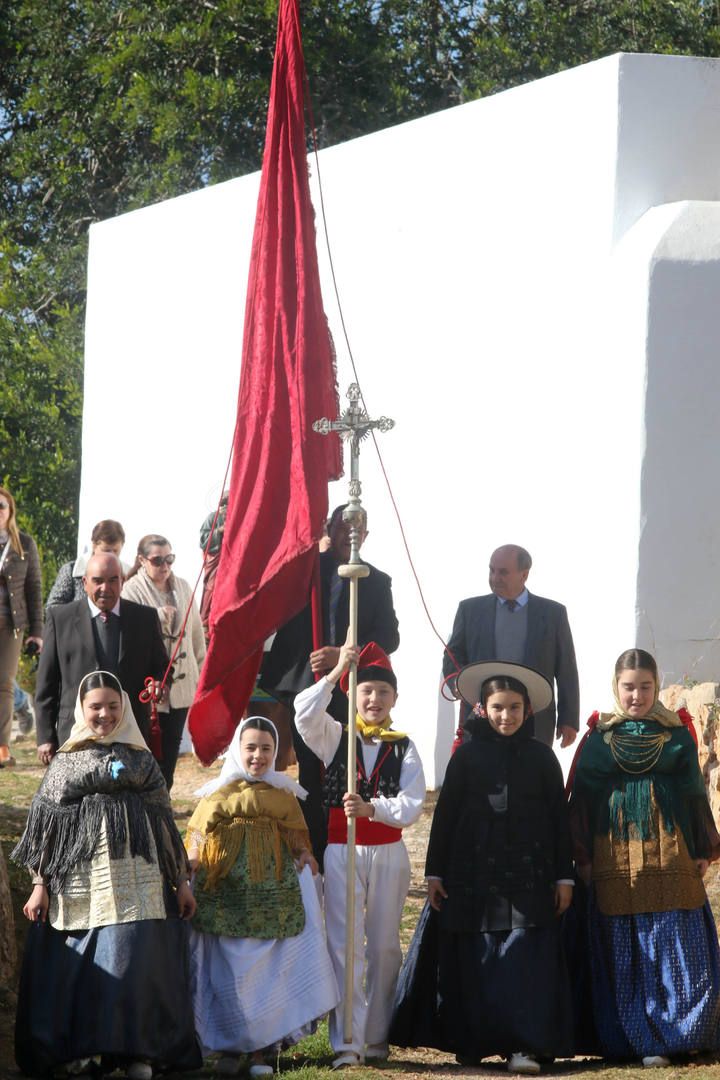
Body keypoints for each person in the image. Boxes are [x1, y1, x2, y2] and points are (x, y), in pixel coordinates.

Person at [12, 671, 201, 1079]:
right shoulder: (66, 762)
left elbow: (165, 824)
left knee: (137, 964)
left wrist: (181, 881)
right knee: (83, 966)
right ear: (82, 709)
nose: (104, 714)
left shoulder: (141, 758)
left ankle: (139, 1052)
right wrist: (39, 885)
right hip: (81, 883)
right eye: (95, 706)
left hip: (140, 880)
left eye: (113, 706)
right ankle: (88, 1049)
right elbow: (46, 829)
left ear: (125, 708)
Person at [392, 660, 574, 1073]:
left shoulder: (544, 759)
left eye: (513, 708)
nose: (505, 716)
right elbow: (446, 817)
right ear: (483, 710)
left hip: (531, 874)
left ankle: (524, 1046)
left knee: (525, 959)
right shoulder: (466, 758)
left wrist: (565, 876)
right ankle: (474, 1040)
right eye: (497, 708)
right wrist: (435, 872)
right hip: (472, 873)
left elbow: (559, 822)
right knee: (478, 959)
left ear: (528, 710)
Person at [568, 648, 720, 1066]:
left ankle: (685, 1033)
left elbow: (692, 794)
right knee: (628, 941)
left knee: (676, 934)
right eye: (628, 687)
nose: (637, 695)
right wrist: (581, 857)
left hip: (669, 847)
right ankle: (639, 1038)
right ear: (616, 688)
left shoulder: (674, 735)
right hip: (614, 851)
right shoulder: (599, 738)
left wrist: (703, 849)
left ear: (657, 686)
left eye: (645, 686)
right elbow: (580, 800)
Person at [294, 639, 425, 1068]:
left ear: (395, 699)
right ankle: (346, 1039)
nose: (374, 699)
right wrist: (335, 673)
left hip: (387, 851)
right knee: (344, 943)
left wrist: (373, 809)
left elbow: (412, 803)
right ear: (354, 695)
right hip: (343, 848)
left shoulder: (404, 745)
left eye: (383, 693)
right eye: (366, 691)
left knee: (385, 945)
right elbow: (303, 714)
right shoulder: (335, 738)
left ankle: (377, 1035)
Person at [185, 716, 338, 1077]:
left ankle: (261, 1051)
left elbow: (298, 837)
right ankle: (227, 1047)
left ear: (276, 753)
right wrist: (191, 861)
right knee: (227, 968)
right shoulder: (217, 794)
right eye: (250, 748)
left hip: (273, 895)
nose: (258, 755)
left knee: (267, 970)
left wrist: (304, 856)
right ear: (238, 750)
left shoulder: (285, 795)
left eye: (266, 748)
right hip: (225, 894)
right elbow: (196, 837)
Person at [261, 504, 400, 864]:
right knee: (310, 771)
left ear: (365, 537)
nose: (348, 536)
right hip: (308, 690)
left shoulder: (377, 581)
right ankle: (313, 851)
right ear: (329, 529)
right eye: (342, 527)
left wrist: (343, 654)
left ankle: (342, 844)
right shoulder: (306, 572)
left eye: (357, 530)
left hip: (352, 692)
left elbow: (389, 637)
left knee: (346, 770)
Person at [35, 552, 169, 765]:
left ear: (123, 581)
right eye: (98, 581)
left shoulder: (144, 618)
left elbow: (161, 666)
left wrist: (160, 684)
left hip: (129, 734)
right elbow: (46, 685)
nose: (105, 588)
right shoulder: (60, 619)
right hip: (75, 735)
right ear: (85, 583)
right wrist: (45, 737)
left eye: (112, 580)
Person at [443, 544, 579, 747]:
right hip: (482, 717)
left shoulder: (553, 614)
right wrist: (457, 682)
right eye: (492, 570)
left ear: (524, 574)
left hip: (535, 719)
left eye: (503, 572)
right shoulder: (469, 610)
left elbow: (566, 668)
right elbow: (453, 654)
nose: (495, 578)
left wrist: (569, 720)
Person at [122, 534, 206, 789]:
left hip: (180, 684)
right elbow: (131, 630)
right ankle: (145, 803)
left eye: (169, 559)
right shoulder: (131, 589)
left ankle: (163, 800)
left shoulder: (182, 586)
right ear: (142, 560)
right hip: (149, 686)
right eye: (157, 560)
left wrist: (201, 672)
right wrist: (156, 616)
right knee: (146, 751)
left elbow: (195, 634)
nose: (164, 565)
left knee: (170, 750)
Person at [0, 486, 43, 767]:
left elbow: (34, 588)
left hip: (10, 625)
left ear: (10, 511)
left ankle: (2, 746)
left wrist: (37, 631)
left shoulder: (23, 544)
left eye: (1, 507)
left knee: (3, 683)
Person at [46, 519, 127, 609]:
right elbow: (52, 608)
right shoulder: (71, 571)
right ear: (94, 546)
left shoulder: (127, 574)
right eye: (106, 550)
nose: (110, 555)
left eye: (115, 551)